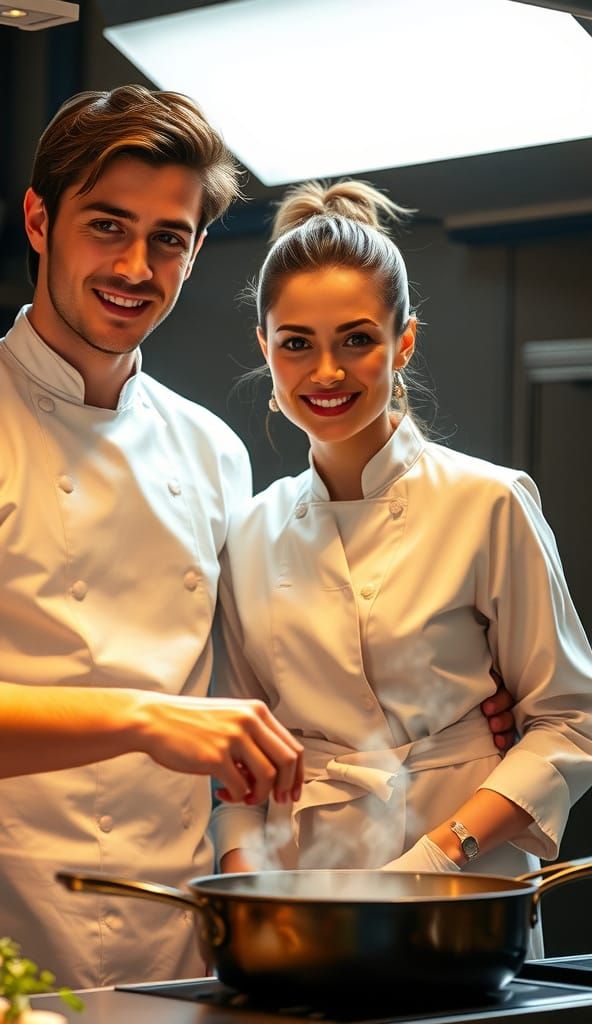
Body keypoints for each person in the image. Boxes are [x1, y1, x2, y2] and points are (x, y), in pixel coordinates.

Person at [0, 90, 513, 986]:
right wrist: (144, 720)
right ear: (40, 220)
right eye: (107, 226)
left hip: (188, 949)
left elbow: (258, 674)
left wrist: (456, 704)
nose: (136, 265)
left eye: (169, 238)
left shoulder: (212, 450)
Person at [212, 179, 592, 956]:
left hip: (466, 883)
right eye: (297, 343)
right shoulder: (247, 531)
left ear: (405, 342)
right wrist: (246, 883)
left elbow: (571, 722)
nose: (326, 372)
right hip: (298, 895)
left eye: (357, 340)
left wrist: (432, 863)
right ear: (265, 348)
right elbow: (239, 755)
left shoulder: (488, 502)